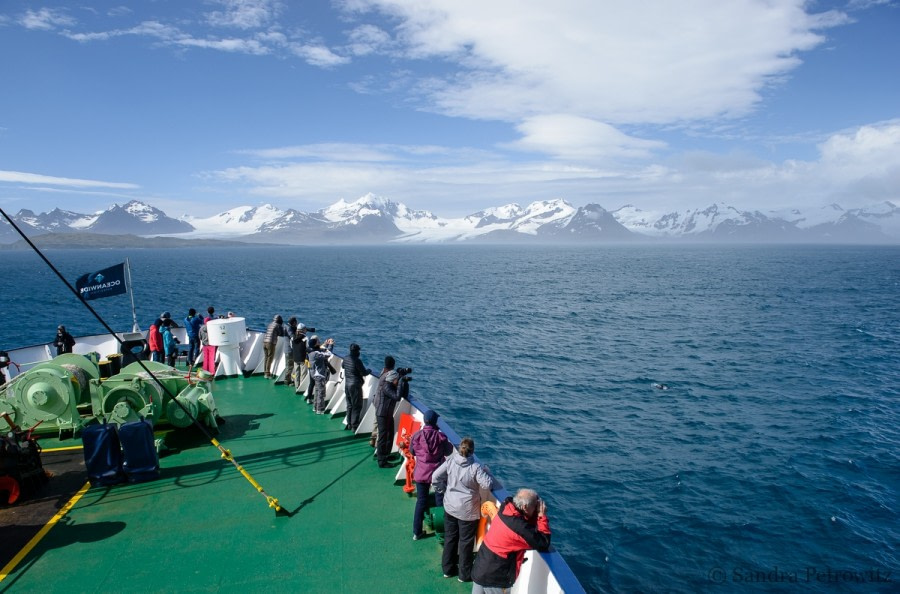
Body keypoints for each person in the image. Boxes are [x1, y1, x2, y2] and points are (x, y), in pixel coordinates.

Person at [432, 437, 495, 582]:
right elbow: (487, 485)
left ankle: (447, 570)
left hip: (450, 507)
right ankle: (464, 575)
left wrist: (442, 491)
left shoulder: (451, 461)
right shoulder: (475, 467)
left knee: (450, 538)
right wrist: (488, 472)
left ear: (460, 448)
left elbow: (435, 477)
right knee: (466, 543)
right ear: (472, 451)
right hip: (467, 511)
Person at [471, 489, 551, 592]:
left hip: (481, 566)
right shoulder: (517, 529)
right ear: (524, 507)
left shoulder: (505, 507)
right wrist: (541, 517)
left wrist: (532, 512)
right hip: (495, 577)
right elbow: (543, 542)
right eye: (534, 505)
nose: (536, 508)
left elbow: (523, 523)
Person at [410, 409, 453, 539]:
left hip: (421, 473)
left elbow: (412, 452)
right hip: (437, 474)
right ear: (435, 422)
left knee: (421, 501)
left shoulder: (416, 436)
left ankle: (417, 532)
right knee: (440, 501)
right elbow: (448, 451)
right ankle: (441, 531)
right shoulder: (440, 437)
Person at [372, 356, 403, 467]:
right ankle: (382, 461)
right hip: (383, 413)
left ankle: (385, 455)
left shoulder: (384, 377)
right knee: (383, 437)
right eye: (395, 379)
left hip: (386, 413)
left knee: (389, 435)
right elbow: (397, 397)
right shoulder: (387, 387)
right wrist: (400, 384)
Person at [341, 343, 371, 432]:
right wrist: (369, 370)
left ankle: (349, 423)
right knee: (357, 406)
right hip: (355, 386)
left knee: (349, 405)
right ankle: (355, 426)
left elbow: (343, 366)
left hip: (347, 384)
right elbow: (364, 373)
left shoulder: (346, 358)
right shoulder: (357, 361)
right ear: (357, 351)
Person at [307, 336, 335, 414]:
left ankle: (315, 407)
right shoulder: (316, 354)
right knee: (321, 392)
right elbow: (328, 354)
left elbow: (320, 350)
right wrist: (331, 345)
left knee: (317, 391)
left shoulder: (311, 352)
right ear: (315, 345)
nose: (319, 343)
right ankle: (320, 409)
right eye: (317, 342)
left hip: (314, 374)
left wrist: (325, 344)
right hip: (319, 375)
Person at [290, 323, 313, 395]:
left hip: (295, 357)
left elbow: (291, 346)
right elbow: (307, 347)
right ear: (303, 330)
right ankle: (301, 388)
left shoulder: (292, 337)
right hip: (303, 358)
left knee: (296, 373)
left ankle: (296, 386)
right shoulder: (305, 338)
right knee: (303, 374)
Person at [263, 314, 285, 379]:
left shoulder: (270, 324)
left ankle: (265, 372)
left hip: (264, 342)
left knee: (266, 357)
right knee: (270, 358)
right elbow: (281, 333)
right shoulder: (277, 325)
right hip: (271, 343)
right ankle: (267, 374)